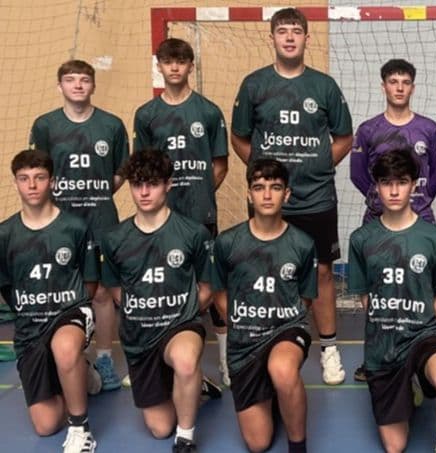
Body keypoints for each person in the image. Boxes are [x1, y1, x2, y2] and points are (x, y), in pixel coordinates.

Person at [231, 7, 353, 385]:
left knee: (321, 272)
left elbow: (345, 136)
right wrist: (267, 177)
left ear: (306, 38)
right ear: (271, 38)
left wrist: (318, 163)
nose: (289, 37)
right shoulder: (254, 85)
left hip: (316, 197)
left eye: (295, 31)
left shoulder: (324, 86)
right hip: (269, 203)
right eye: (282, 31)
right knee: (267, 271)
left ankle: (329, 349)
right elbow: (239, 136)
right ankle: (267, 342)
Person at [99, 149, 221, 453]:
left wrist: (184, 315)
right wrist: (144, 311)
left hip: (180, 326)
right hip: (139, 337)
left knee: (184, 359)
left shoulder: (192, 233)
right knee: (159, 428)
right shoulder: (115, 238)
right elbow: (115, 289)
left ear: (168, 184)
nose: (143, 192)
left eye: (151, 184)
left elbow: (208, 286)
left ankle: (186, 437)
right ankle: (196, 384)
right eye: (137, 184)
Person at [348, 149, 436, 453]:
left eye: (402, 181)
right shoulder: (361, 239)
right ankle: (408, 382)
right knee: (395, 446)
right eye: (386, 182)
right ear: (376, 186)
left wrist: (431, 334)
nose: (395, 190)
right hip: (384, 345)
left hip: (424, 335)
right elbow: (365, 297)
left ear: (415, 184)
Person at [134, 37, 231, 385]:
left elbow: (220, 165)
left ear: (191, 66)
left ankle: (224, 360)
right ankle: (152, 359)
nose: (174, 67)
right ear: (158, 66)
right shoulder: (147, 115)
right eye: (168, 61)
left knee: (213, 285)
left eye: (181, 61)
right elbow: (143, 167)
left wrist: (201, 192)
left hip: (201, 216)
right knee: (161, 288)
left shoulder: (208, 111)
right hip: (159, 221)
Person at [29, 60, 129, 391]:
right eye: (70, 80)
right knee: (61, 290)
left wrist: (92, 195)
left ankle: (102, 358)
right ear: (60, 86)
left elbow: (118, 174)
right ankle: (67, 358)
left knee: (100, 292)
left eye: (84, 80)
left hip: (100, 221)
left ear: (93, 86)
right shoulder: (45, 126)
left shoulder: (111, 125)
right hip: (59, 224)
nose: (78, 85)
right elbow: (38, 172)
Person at [350, 58, 436, 381]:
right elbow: (358, 175)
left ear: (413, 87)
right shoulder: (368, 130)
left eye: (405, 82)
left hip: (421, 216)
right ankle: (374, 356)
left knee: (424, 286)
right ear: (384, 86)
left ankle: (426, 353)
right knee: (378, 288)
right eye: (393, 82)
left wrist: (414, 203)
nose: (399, 88)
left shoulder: (429, 129)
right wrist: (384, 203)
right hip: (378, 219)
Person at [0, 150, 102, 453]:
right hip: (30, 326)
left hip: (70, 312)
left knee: (65, 346)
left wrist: (76, 311)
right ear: (16, 183)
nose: (32, 185)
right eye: (24, 179)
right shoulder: (5, 234)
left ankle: (81, 428)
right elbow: (6, 286)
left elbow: (90, 282)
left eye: (39, 177)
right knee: (45, 426)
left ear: (52, 182)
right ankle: (80, 373)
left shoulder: (74, 227)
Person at [213, 158, 315, 453]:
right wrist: (237, 322)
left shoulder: (303, 244)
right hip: (245, 341)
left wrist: (281, 317)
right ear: (249, 194)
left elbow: (305, 297)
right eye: (259, 188)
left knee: (282, 367)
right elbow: (219, 290)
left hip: (286, 329)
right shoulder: (228, 242)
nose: (267, 195)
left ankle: (298, 447)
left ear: (287, 194)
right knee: (258, 444)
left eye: (275, 187)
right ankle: (271, 392)